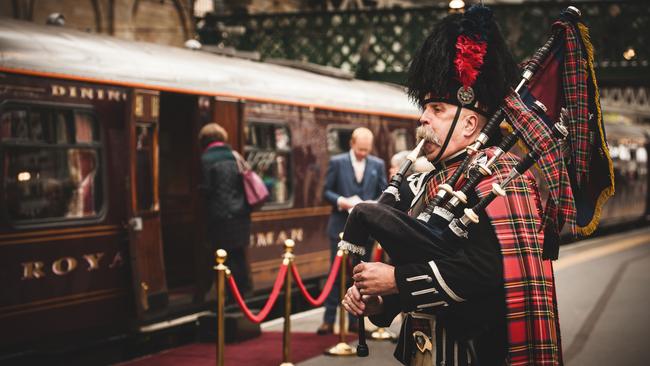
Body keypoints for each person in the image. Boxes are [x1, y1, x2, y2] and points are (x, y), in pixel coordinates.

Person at [342, 5, 563, 365]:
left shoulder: (502, 176)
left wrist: (396, 280)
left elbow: (486, 271)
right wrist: (380, 302)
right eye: (424, 107)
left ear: (470, 125)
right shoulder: (428, 178)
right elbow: (421, 261)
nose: (423, 118)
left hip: (477, 352)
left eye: (438, 109)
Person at [318, 127, 387, 335]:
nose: (363, 154)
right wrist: (343, 201)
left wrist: (372, 204)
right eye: (360, 150)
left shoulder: (378, 164)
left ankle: (355, 321)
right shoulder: (337, 162)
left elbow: (384, 193)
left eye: (366, 150)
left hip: (365, 229)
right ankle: (328, 320)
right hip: (339, 225)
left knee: (360, 276)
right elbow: (326, 191)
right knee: (335, 272)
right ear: (352, 144)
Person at [195, 123, 252, 303]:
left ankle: (229, 298)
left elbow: (206, 188)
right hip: (241, 214)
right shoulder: (234, 156)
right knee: (238, 256)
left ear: (204, 140)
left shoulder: (205, 160)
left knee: (224, 258)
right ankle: (242, 295)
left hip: (219, 217)